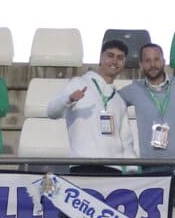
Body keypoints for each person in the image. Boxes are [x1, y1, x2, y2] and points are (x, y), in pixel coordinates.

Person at [46, 38, 136, 168]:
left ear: (123, 63)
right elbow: (51, 112)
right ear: (100, 58)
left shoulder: (118, 99)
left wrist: (132, 171)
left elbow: (126, 141)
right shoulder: (78, 83)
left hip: (113, 170)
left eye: (120, 58)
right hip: (82, 166)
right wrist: (69, 99)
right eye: (110, 56)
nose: (115, 61)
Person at [116, 43, 175, 164]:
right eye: (147, 60)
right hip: (150, 167)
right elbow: (107, 99)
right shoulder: (135, 89)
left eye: (156, 59)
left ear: (163, 61)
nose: (152, 65)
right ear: (141, 64)